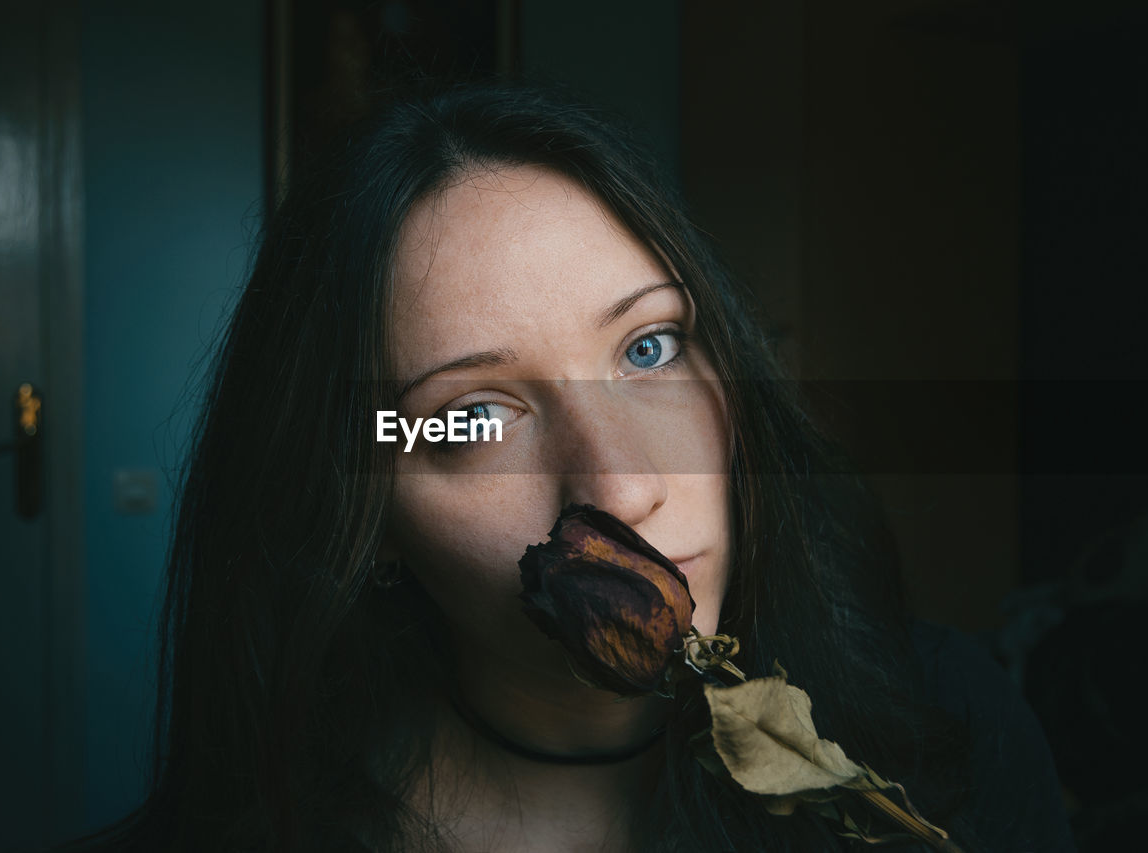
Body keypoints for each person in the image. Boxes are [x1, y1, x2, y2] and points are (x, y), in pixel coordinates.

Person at [75, 80, 1074, 851]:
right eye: (471, 415)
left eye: (648, 347)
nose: (620, 488)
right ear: (366, 511)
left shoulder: (950, 734)